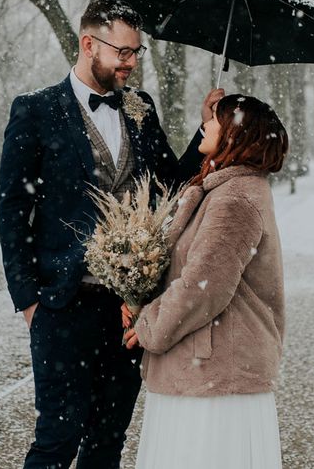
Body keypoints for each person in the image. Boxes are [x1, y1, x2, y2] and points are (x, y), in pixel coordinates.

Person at [0, 0, 222, 469]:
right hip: (62, 304)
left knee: (107, 440)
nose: (131, 62)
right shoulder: (35, 112)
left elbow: (168, 186)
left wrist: (208, 127)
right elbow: (12, 211)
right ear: (88, 44)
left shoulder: (140, 108)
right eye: (123, 52)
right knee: (56, 440)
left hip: (127, 310)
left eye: (137, 52)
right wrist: (29, 302)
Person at [123, 94, 288, 469]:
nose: (208, 125)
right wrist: (137, 295)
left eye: (215, 120)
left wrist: (148, 324)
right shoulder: (222, 190)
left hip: (214, 377)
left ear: (234, 134)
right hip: (201, 371)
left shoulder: (234, 199)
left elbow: (204, 287)